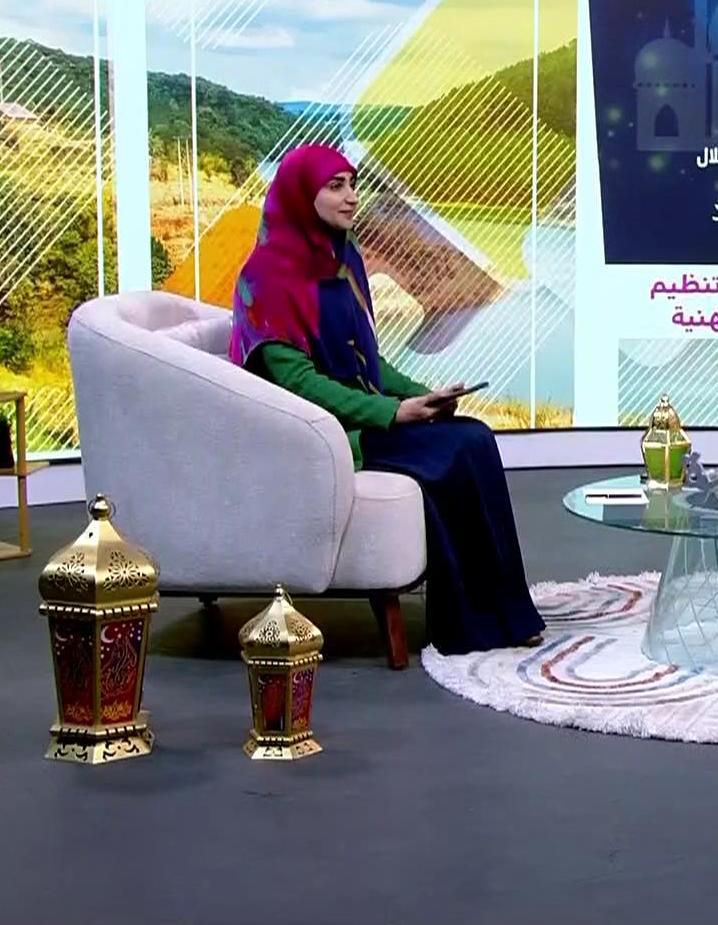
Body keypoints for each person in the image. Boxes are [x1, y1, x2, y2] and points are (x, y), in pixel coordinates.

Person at [228, 144, 545, 655]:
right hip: (329, 435)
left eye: (353, 184)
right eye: (335, 186)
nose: (351, 197)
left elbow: (366, 360)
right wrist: (393, 413)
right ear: (301, 194)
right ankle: (472, 624)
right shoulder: (264, 280)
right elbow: (298, 383)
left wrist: (424, 396)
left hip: (369, 415)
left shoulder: (342, 259)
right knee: (456, 450)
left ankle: (503, 614)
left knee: (474, 436)